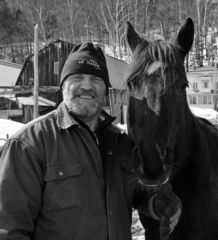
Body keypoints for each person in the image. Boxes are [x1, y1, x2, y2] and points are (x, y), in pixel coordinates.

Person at [0, 43, 179, 240]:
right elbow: (9, 228)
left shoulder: (120, 143)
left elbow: (134, 193)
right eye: (77, 78)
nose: (86, 86)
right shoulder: (28, 146)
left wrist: (156, 203)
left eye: (95, 79)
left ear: (105, 90)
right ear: (63, 87)